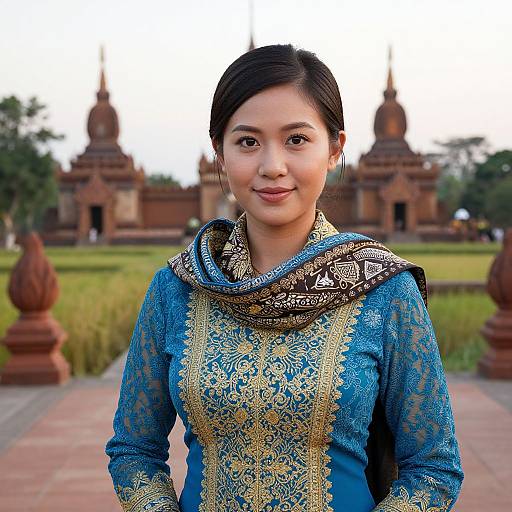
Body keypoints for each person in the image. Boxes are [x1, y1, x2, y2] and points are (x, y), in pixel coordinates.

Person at [105, 44, 463, 512]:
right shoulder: (178, 289)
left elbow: (434, 467)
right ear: (220, 152)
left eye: (297, 139)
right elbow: (134, 450)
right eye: (248, 141)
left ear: (335, 149)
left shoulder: (383, 290)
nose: (272, 166)